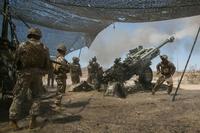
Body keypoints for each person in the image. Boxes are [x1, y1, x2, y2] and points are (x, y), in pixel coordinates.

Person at [9, 27, 50, 129]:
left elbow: (16, 60)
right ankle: (33, 120)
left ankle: (13, 122)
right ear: (39, 36)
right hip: (38, 75)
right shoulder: (44, 48)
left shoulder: (22, 45)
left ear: (29, 35)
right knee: (36, 97)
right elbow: (47, 65)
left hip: (24, 74)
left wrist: (20, 70)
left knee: (19, 97)